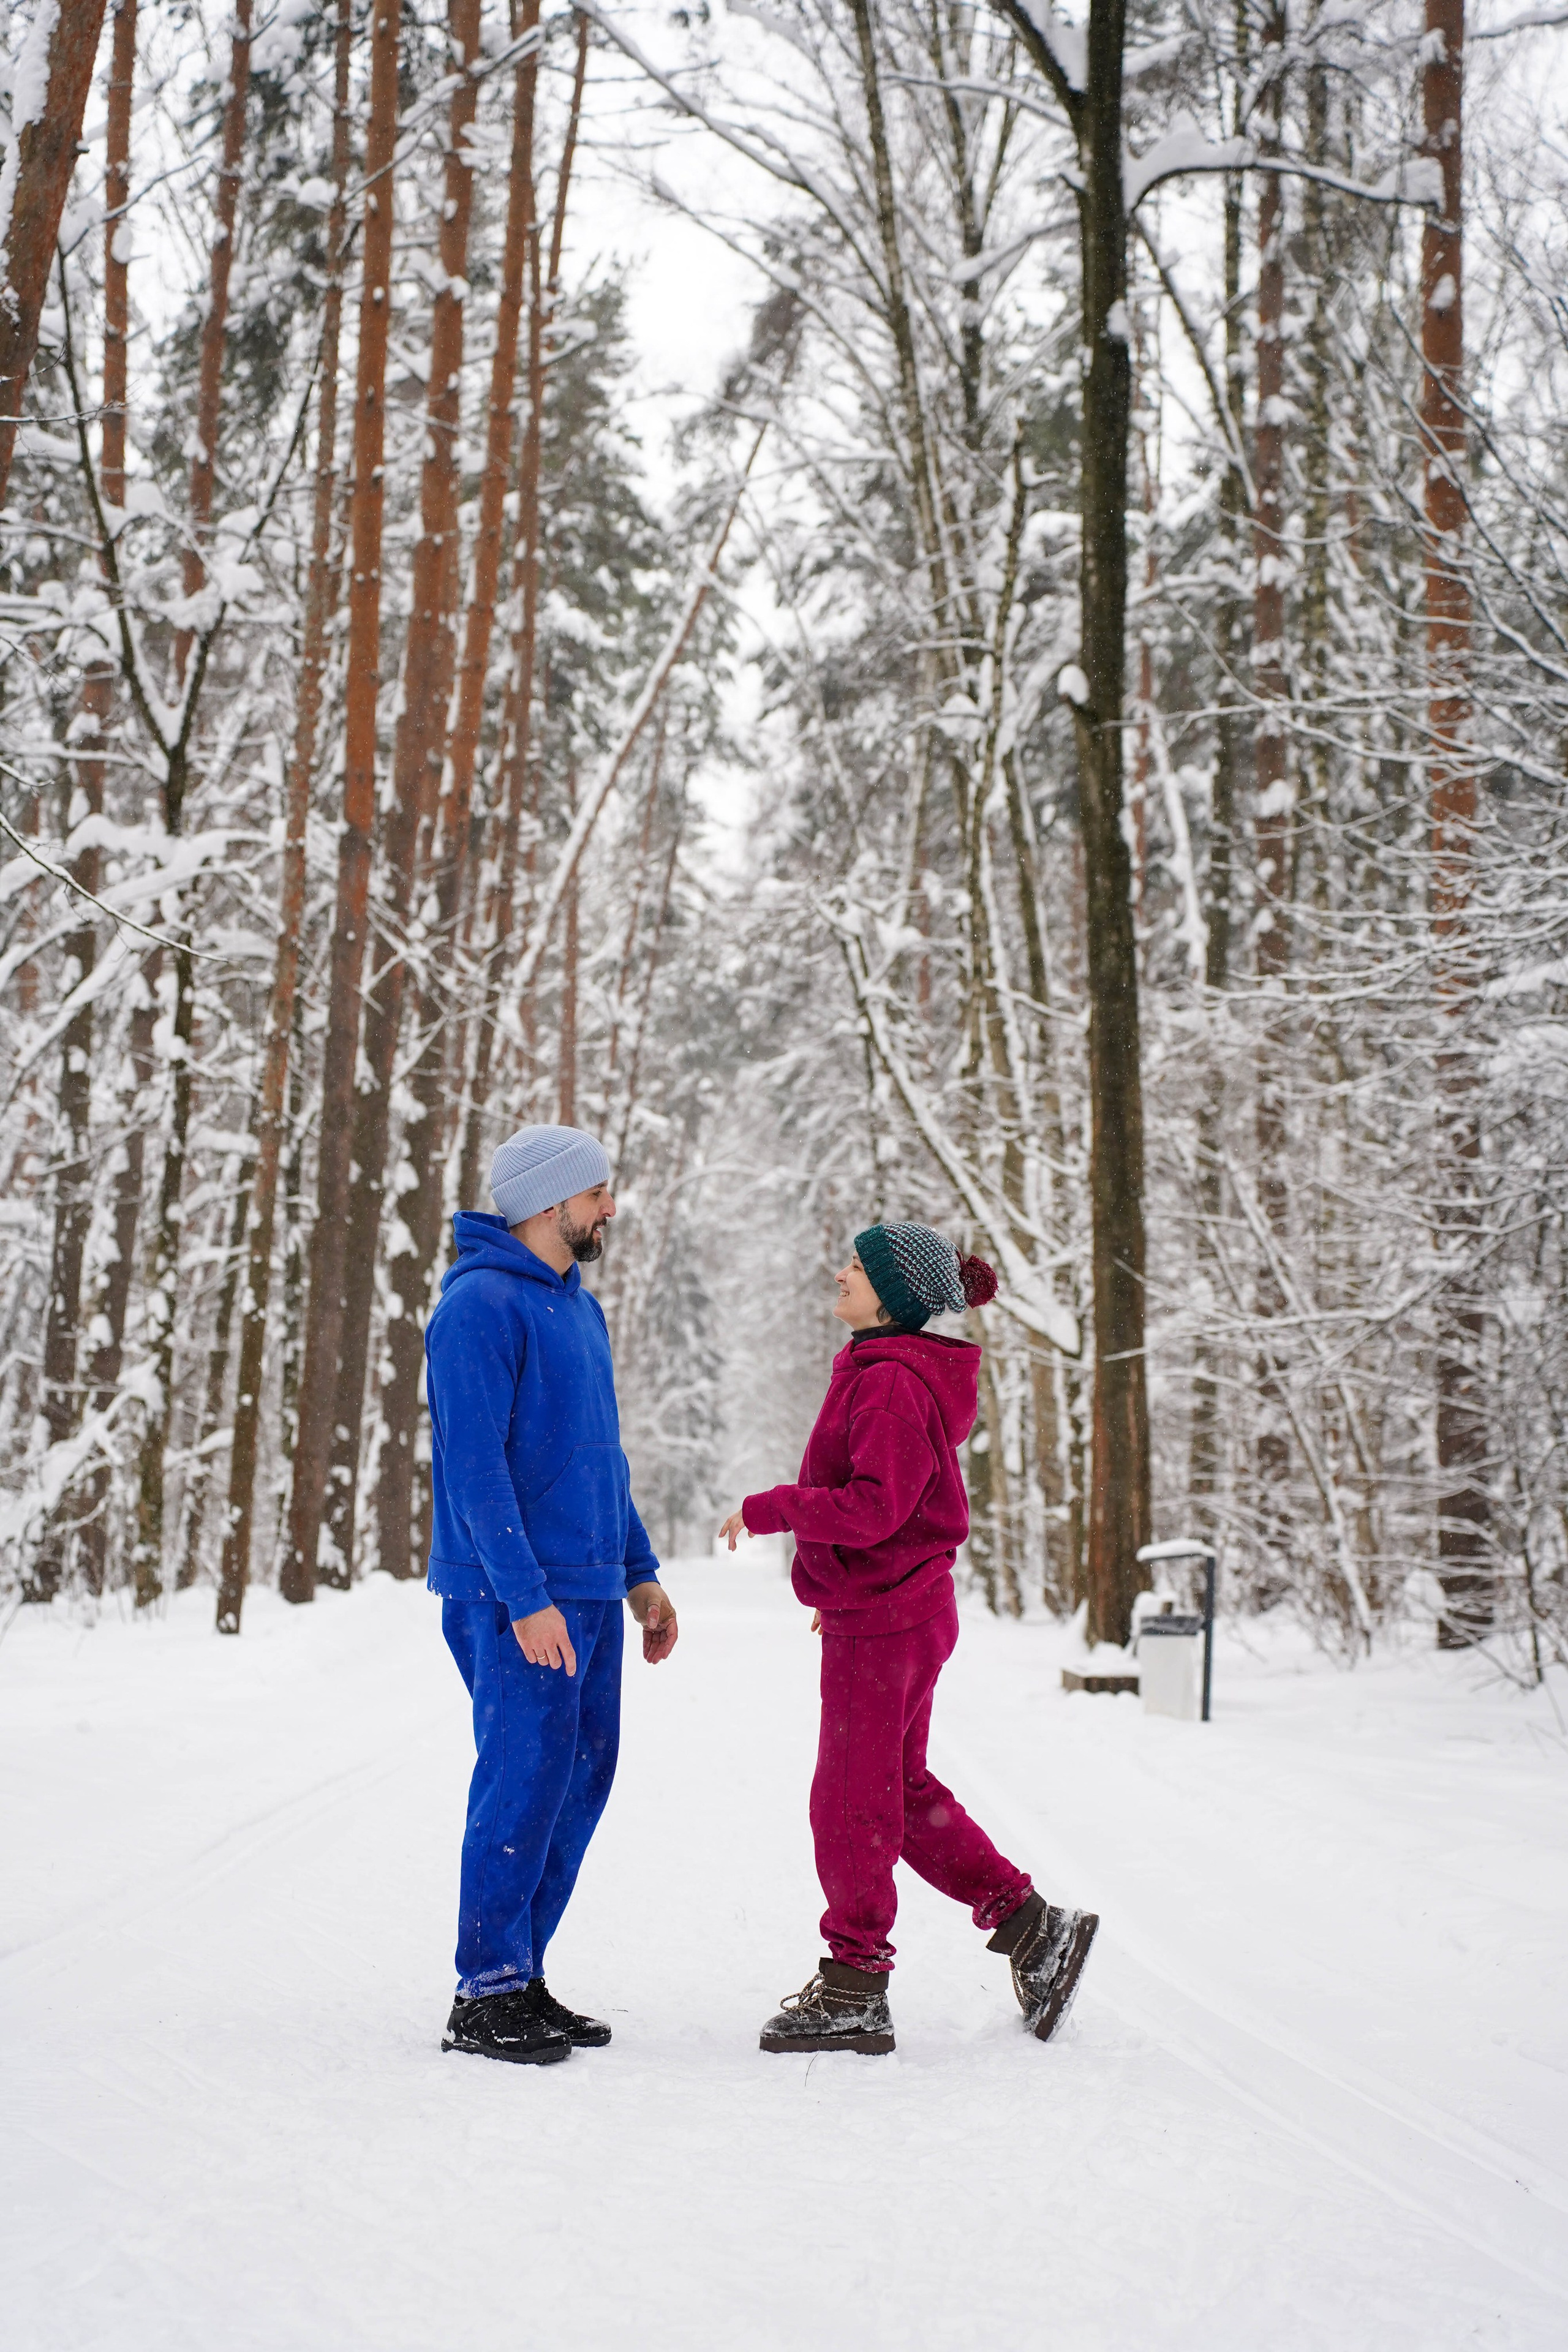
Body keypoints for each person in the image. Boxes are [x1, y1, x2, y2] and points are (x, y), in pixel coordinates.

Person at [719, 1221, 1096, 2056]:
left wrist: (773, 1510)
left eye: (857, 1267)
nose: (841, 1274)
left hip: (887, 1620)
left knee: (849, 1802)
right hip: (896, 1608)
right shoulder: (883, 1367)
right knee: (894, 1791)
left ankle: (855, 1987)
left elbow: (875, 1508)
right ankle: (1034, 1929)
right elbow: (889, 1509)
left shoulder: (890, 1381)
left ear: (893, 1298)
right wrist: (836, 1583)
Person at [425, 1123, 677, 2067]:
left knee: (580, 1776)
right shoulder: (478, 1307)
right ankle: (484, 1990)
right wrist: (524, 1596)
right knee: (524, 1776)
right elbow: (474, 1468)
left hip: (588, 1590)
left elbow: (601, 1460)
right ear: (548, 1202)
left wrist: (640, 1574)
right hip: (514, 1597)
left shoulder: (581, 1310)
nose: (611, 1206)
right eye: (597, 1192)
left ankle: (520, 1972)